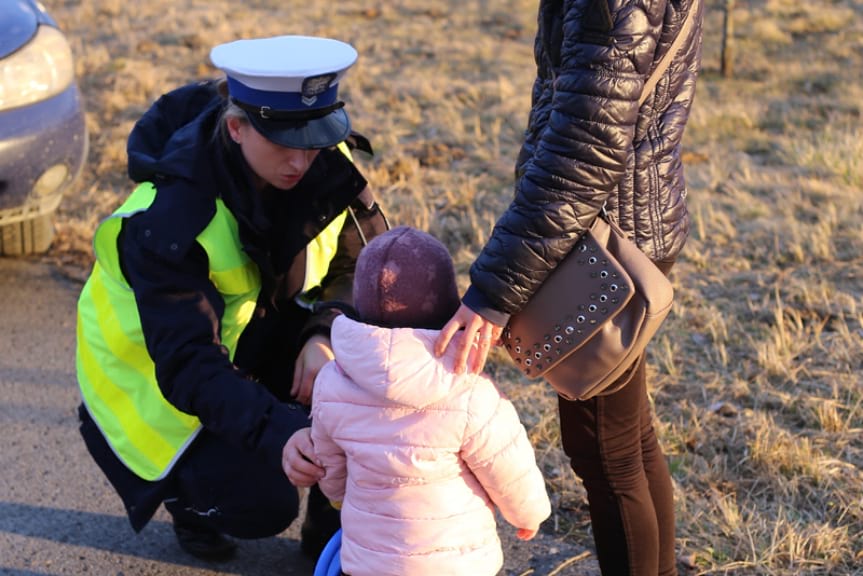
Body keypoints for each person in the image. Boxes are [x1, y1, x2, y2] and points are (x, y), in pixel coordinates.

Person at [75, 35, 388, 562]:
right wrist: (286, 433)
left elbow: (370, 266)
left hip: (252, 337)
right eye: (285, 142)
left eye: (314, 140)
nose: (302, 161)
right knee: (263, 501)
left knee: (371, 375)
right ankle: (189, 504)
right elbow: (190, 367)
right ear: (237, 127)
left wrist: (325, 333)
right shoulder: (170, 218)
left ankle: (330, 543)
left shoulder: (322, 159)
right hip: (155, 388)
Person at [435, 2, 704, 575]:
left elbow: (586, 144)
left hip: (602, 247)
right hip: (626, 223)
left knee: (606, 453)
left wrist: (494, 289)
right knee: (628, 439)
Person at [309, 226, 552, 576]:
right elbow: (510, 471)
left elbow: (331, 471)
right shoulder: (469, 391)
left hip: (367, 565)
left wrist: (340, 498)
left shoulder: (332, 382)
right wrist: (528, 516)